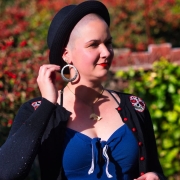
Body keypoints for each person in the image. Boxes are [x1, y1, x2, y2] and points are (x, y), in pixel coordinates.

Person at [0, 1, 166, 180]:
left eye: (108, 42)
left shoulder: (135, 107)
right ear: (66, 55)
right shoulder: (37, 110)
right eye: (93, 44)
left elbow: (154, 169)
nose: (106, 52)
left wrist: (155, 176)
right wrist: (48, 103)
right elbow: (6, 173)